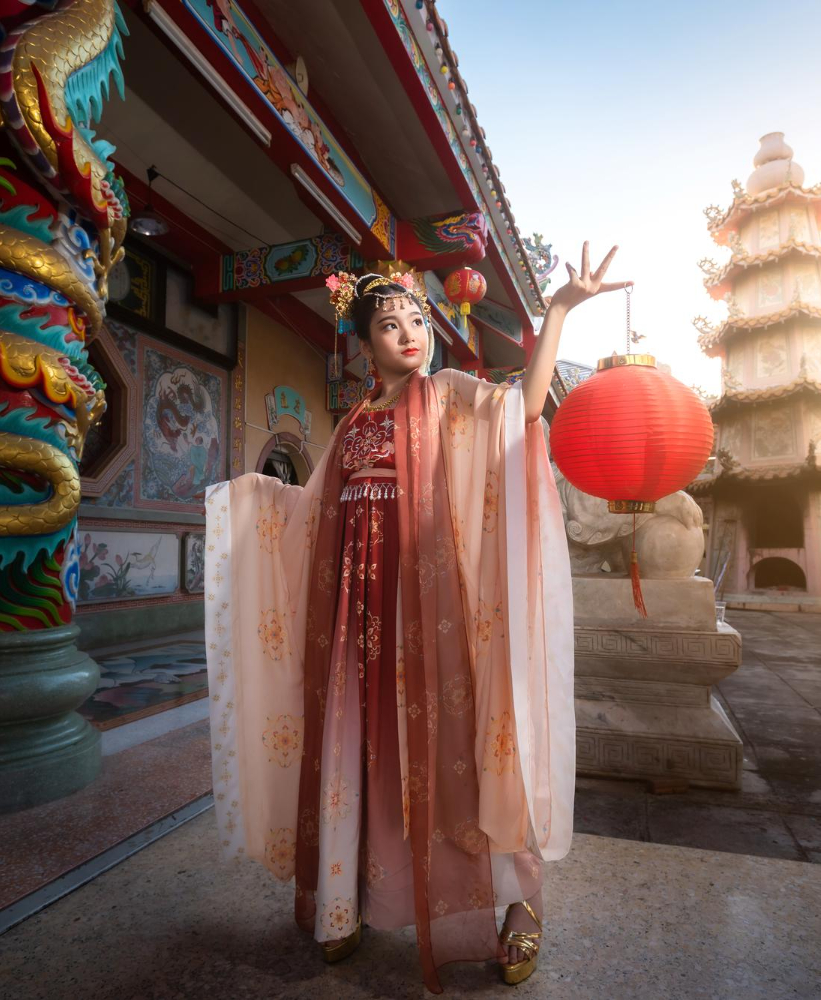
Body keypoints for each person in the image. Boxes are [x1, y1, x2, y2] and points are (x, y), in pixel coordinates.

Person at [204, 245, 627, 991]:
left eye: (416, 321)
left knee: (461, 753)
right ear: (363, 343)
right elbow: (313, 511)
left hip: (432, 610)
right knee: (361, 751)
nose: (409, 334)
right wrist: (255, 505)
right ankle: (350, 900)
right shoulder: (357, 418)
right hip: (355, 619)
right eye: (390, 324)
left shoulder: (453, 395)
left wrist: (558, 309)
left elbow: (524, 410)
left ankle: (520, 905)